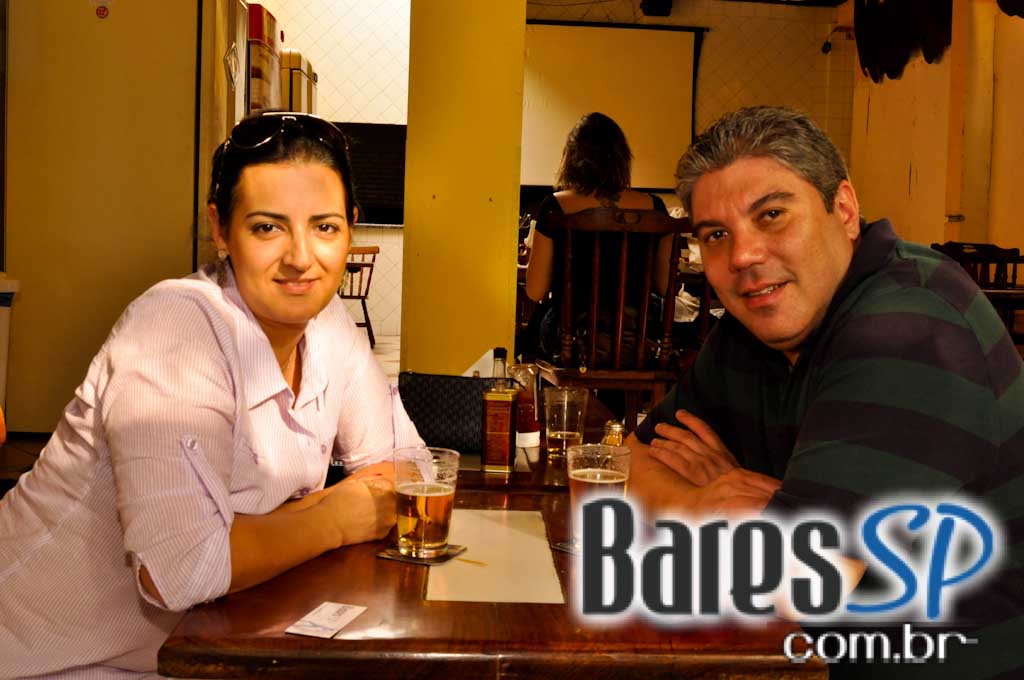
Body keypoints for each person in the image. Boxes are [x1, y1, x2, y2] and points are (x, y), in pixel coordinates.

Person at [0, 112, 422, 678]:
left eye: (324, 227)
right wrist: (339, 516)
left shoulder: (328, 326)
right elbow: (180, 571)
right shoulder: (176, 327)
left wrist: (269, 528)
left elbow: (413, 468)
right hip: (40, 661)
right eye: (268, 228)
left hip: (192, 654)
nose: (301, 258)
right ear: (220, 230)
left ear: (350, 228)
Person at [627, 106, 1023, 677]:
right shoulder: (750, 330)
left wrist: (747, 515)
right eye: (716, 235)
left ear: (844, 209)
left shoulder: (911, 326)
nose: (743, 256)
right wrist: (701, 504)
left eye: (772, 215)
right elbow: (620, 470)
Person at [524, 112, 674, 366]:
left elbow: (535, 290)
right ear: (622, 158)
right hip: (635, 340)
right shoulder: (655, 207)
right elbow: (665, 286)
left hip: (571, 340)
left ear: (572, 158)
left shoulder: (555, 207)